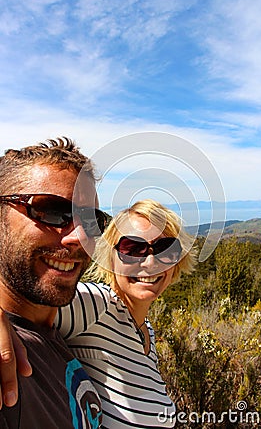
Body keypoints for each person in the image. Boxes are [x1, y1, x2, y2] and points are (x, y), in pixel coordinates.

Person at [55, 199, 196, 428]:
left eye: (165, 250)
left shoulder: (145, 330)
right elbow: (23, 296)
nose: (151, 262)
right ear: (110, 257)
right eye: (132, 249)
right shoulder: (95, 306)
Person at [0, 137, 105, 428]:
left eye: (91, 220)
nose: (79, 237)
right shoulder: (7, 358)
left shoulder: (62, 326)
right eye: (52, 211)